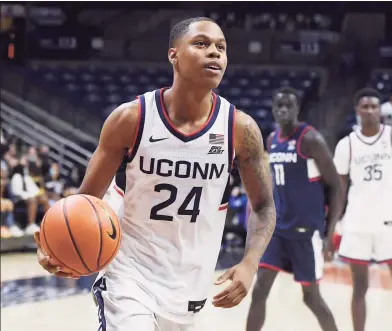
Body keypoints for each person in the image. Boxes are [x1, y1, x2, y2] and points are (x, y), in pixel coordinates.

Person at [34, 17, 276, 331]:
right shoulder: (131, 119)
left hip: (189, 281)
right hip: (128, 271)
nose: (214, 53)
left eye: (221, 47)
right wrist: (58, 247)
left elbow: (264, 207)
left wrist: (250, 263)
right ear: (173, 54)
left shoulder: (240, 130)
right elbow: (86, 201)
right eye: (201, 44)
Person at [246, 87, 343, 331]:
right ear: (272, 109)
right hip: (278, 230)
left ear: (298, 109)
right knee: (259, 290)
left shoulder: (310, 139)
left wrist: (329, 233)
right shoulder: (271, 140)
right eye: (279, 106)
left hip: (305, 231)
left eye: (289, 106)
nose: (283, 110)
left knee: (311, 298)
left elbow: (336, 187)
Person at [333, 88, 392, 331]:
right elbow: (339, 189)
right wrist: (333, 224)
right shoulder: (346, 144)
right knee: (359, 288)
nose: (370, 111)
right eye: (365, 107)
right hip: (357, 223)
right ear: (357, 110)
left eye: (374, 107)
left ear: (380, 110)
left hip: (391, 223)